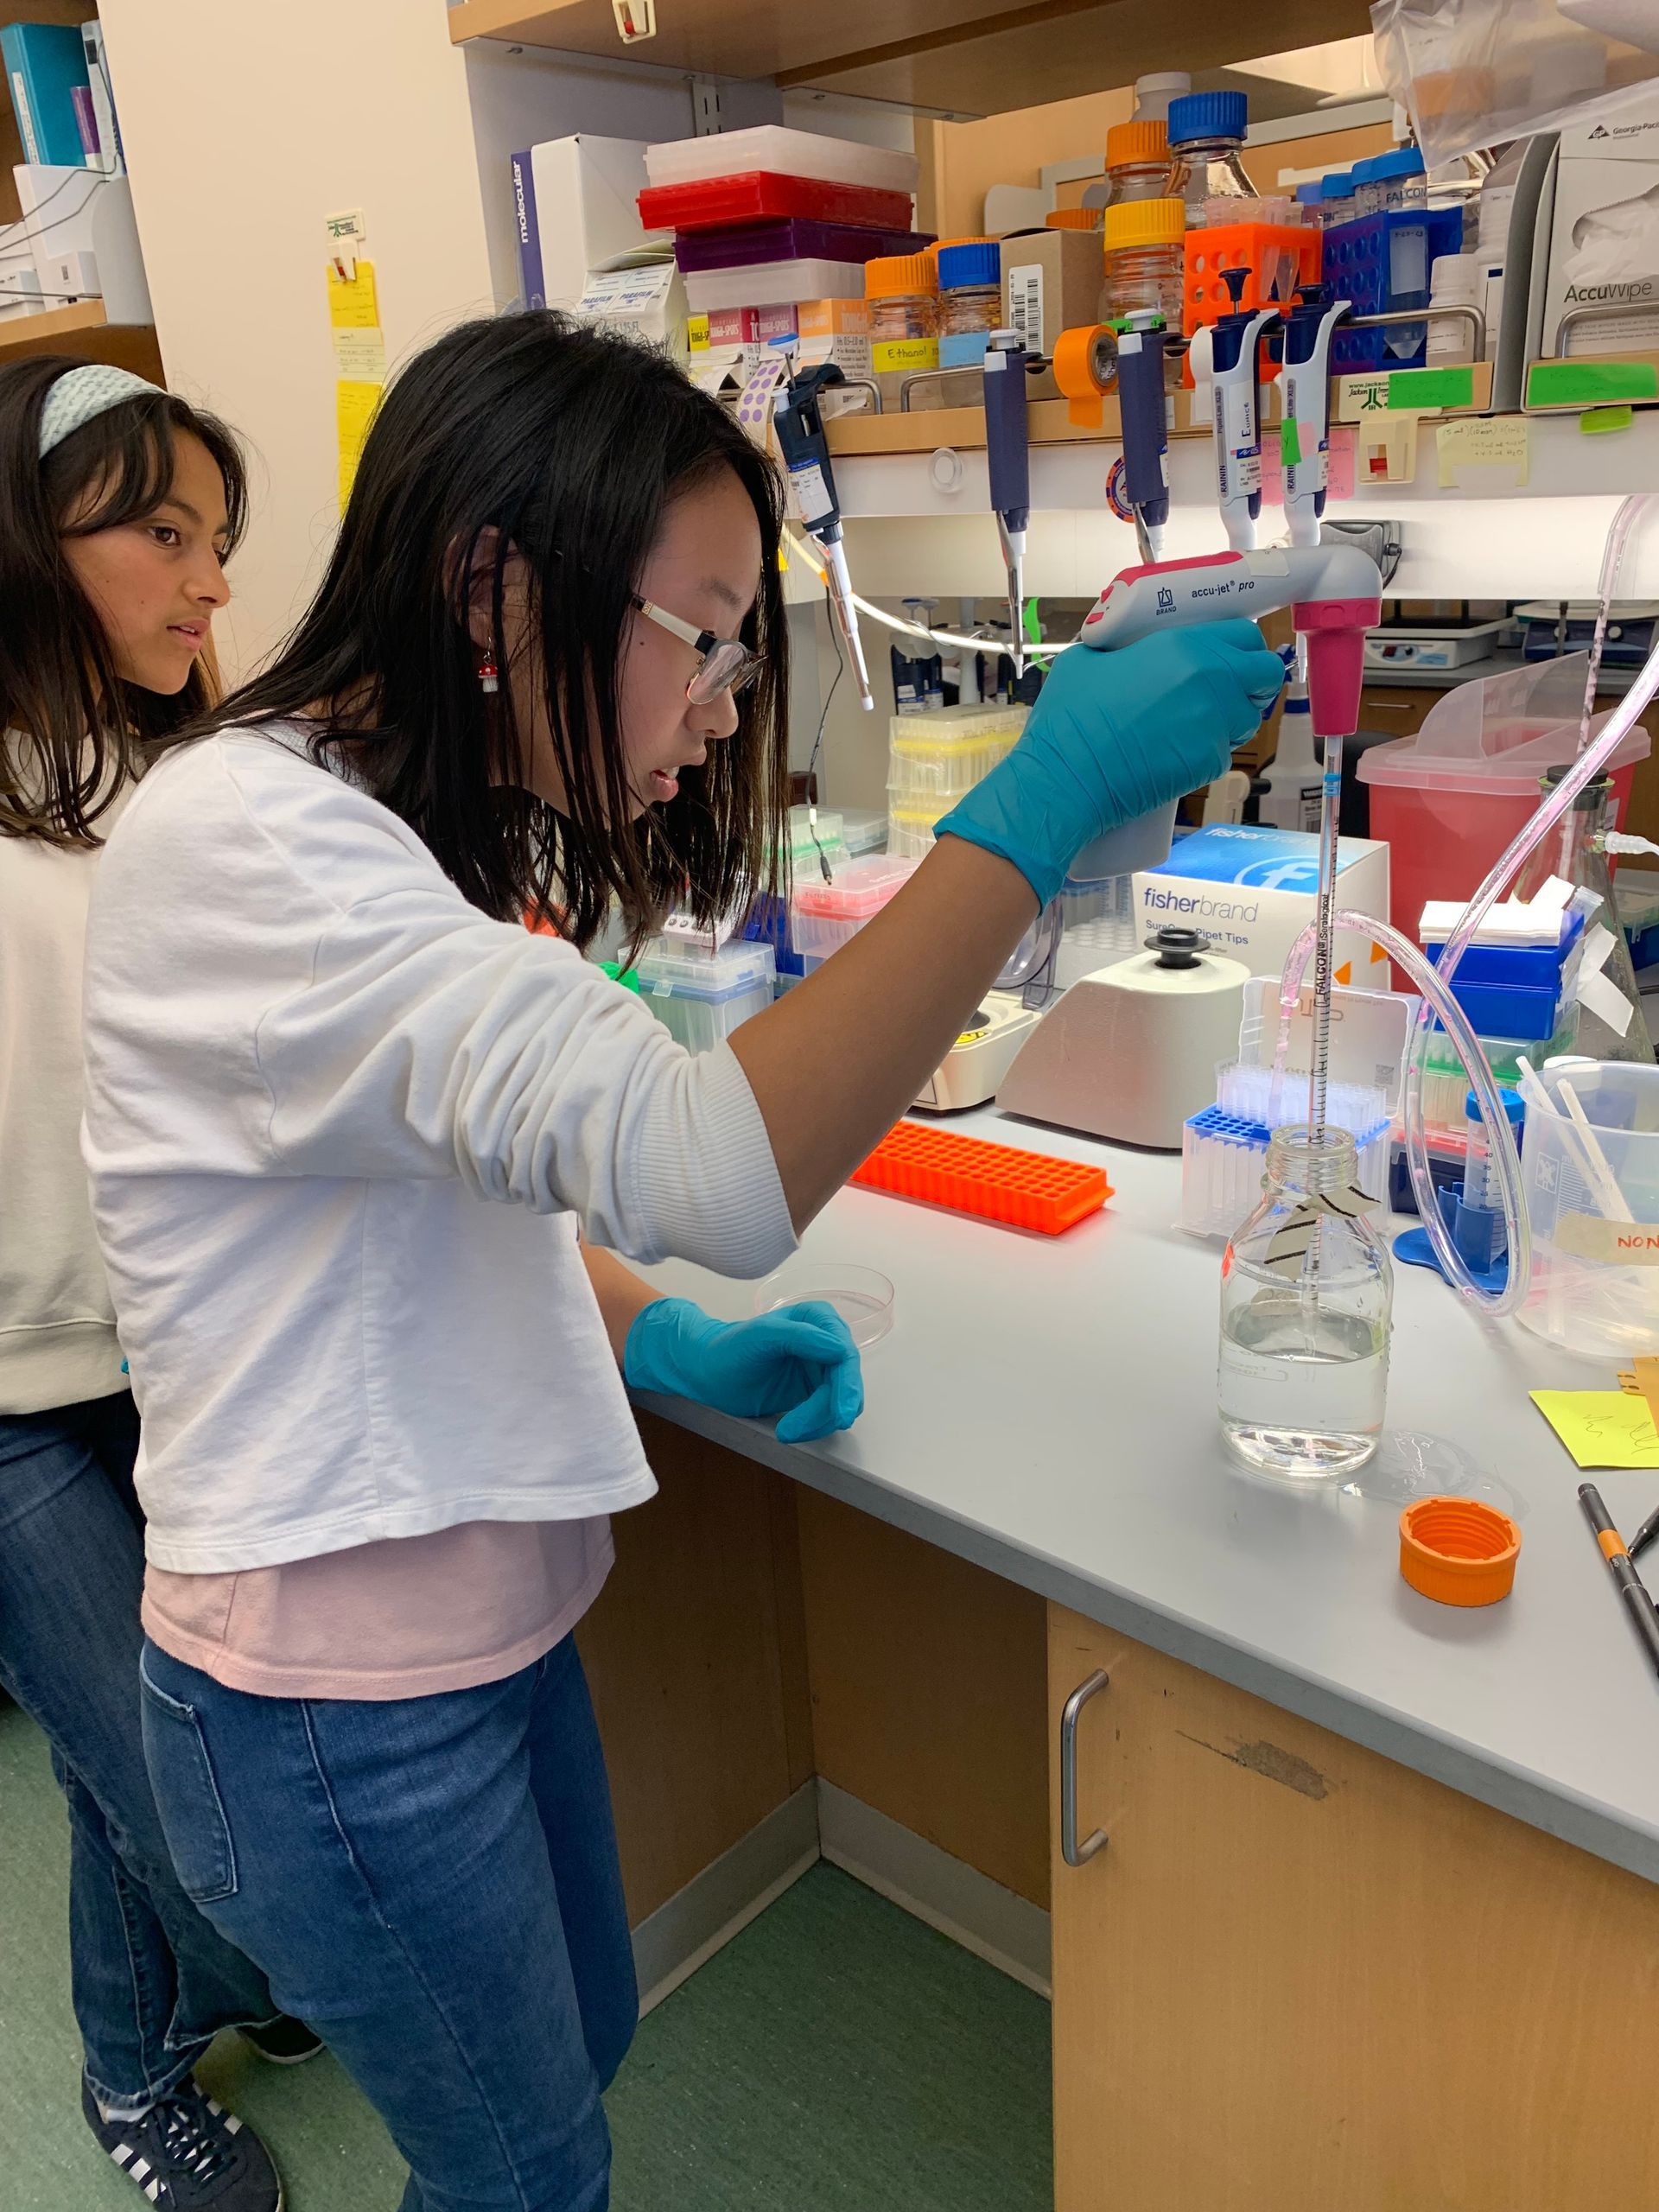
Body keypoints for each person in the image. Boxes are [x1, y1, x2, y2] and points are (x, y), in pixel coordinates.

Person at [79, 312, 1282, 2212]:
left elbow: (446, 1223)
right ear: (497, 589)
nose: (729, 695)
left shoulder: (417, 842)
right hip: (324, 1707)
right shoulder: (248, 842)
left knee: (580, 2065)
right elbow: (711, 1167)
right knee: (530, 2170)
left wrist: (650, 1342)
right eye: (705, 632)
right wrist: (1035, 807)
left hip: (472, 1636)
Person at [0, 358, 320, 2211]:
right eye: (164, 532)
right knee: (150, 1788)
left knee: (218, 1744)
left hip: (186, 1350)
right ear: (35, 543)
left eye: (219, 539)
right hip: (17, 1392)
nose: (208, 582)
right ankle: (132, 2075)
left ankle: (243, 1989)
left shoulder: (179, 773)